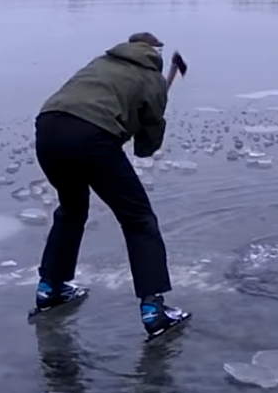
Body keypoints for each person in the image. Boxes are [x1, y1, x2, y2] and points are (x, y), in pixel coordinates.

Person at [31, 31, 191, 338]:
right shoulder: (152, 79)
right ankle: (154, 310)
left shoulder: (101, 62)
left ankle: (50, 288)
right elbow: (146, 146)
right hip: (91, 137)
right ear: (154, 53)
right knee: (138, 219)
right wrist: (151, 114)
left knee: (71, 209)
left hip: (48, 127)